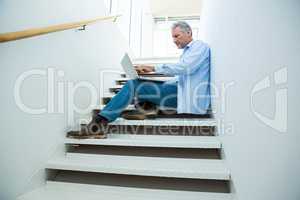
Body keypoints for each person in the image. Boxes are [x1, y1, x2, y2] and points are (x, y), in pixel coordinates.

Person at [73, 21, 211, 138]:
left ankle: (99, 123)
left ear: (189, 33)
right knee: (140, 85)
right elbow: (180, 76)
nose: (174, 40)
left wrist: (152, 68)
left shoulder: (199, 46)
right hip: (180, 93)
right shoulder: (189, 52)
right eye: (172, 37)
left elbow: (184, 68)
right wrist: (150, 80)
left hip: (185, 96)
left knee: (134, 85)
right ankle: (145, 107)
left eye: (176, 36)